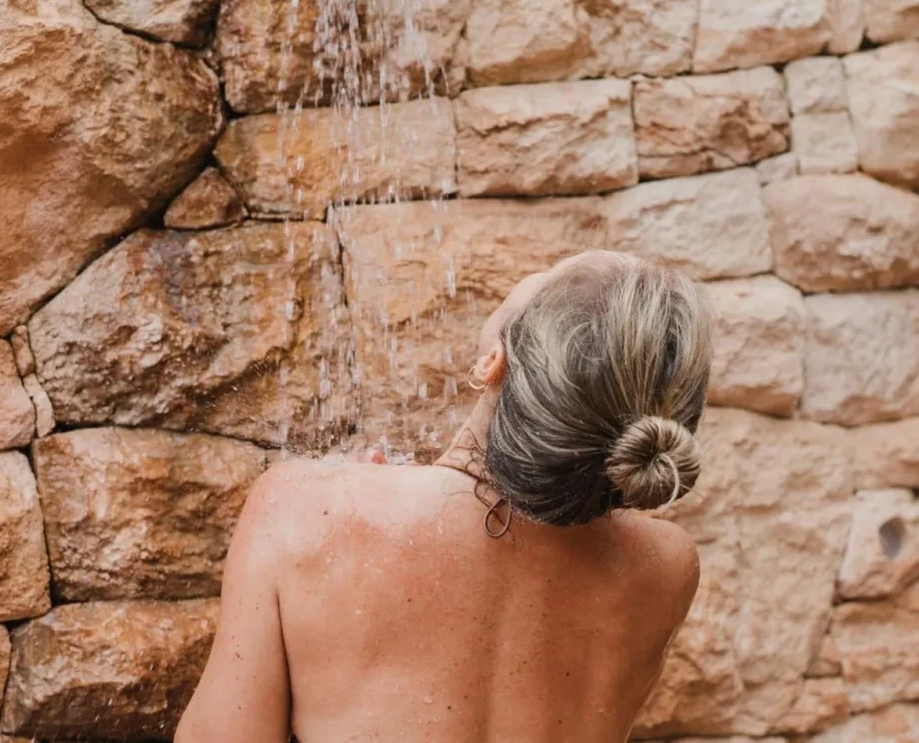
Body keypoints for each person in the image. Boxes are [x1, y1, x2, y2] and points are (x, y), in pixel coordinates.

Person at [176, 249, 712, 743]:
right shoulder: (664, 565)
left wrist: (348, 497)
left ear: (492, 362)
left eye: (547, 278)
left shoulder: (299, 509)